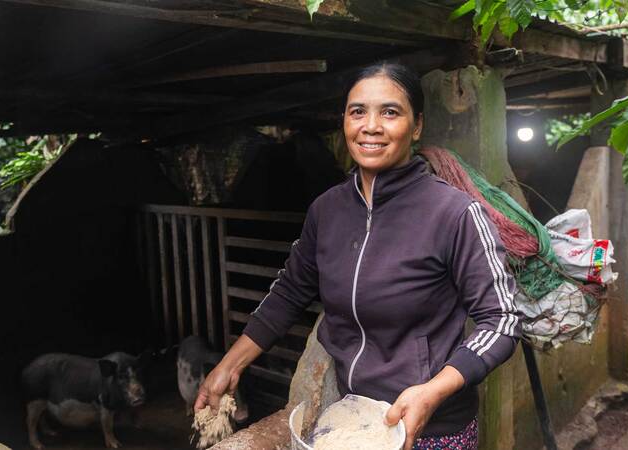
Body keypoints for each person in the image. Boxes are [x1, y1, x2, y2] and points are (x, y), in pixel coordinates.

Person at [194, 62, 521, 450]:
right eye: (358, 111)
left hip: (433, 427)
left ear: (416, 126)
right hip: (351, 419)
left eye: (390, 112)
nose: (371, 126)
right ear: (344, 122)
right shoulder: (326, 210)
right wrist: (228, 367)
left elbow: (502, 319)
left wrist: (433, 391)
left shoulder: (455, 213)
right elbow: (290, 291)